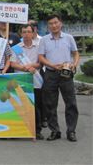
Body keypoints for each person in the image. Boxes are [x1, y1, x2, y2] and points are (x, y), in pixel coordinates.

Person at [38, 14, 80, 142]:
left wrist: (74, 64)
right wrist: (51, 65)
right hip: (50, 73)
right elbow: (41, 57)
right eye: (51, 24)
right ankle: (54, 131)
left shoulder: (69, 38)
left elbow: (75, 53)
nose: (54, 25)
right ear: (48, 26)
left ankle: (71, 131)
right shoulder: (44, 40)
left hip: (66, 73)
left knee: (71, 103)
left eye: (56, 22)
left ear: (60, 23)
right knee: (50, 104)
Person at [10, 24, 44, 140]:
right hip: (21, 80)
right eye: (24, 32)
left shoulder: (39, 47)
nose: (26, 34)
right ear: (21, 34)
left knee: (36, 106)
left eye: (29, 32)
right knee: (21, 105)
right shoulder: (16, 48)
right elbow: (12, 63)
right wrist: (24, 68)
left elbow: (40, 63)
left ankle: (36, 130)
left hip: (36, 80)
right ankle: (20, 130)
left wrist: (31, 65)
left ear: (33, 33)